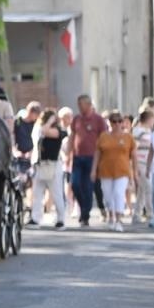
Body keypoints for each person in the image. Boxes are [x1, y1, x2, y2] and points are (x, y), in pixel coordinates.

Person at [68, 94, 106, 227]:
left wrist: (101, 158)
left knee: (88, 187)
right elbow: (72, 136)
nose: (79, 107)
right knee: (75, 184)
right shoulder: (77, 119)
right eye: (78, 104)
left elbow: (103, 138)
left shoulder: (98, 120)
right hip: (78, 157)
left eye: (81, 104)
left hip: (92, 158)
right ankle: (83, 206)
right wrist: (68, 153)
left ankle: (85, 215)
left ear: (89, 105)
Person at [94, 110, 135, 232]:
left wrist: (134, 172)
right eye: (114, 121)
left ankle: (118, 219)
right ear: (110, 123)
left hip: (122, 170)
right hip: (105, 170)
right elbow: (97, 154)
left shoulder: (128, 137)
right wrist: (93, 170)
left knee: (118, 193)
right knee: (108, 195)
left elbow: (134, 155)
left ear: (122, 123)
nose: (117, 124)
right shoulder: (103, 136)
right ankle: (111, 215)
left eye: (119, 121)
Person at [29, 108, 67, 228]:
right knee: (37, 193)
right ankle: (35, 218)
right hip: (41, 165)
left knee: (56, 194)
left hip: (53, 165)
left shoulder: (59, 131)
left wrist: (50, 121)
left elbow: (45, 131)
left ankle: (61, 219)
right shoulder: (39, 130)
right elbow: (39, 132)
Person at [132, 108, 154, 225]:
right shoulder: (138, 131)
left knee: (142, 190)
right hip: (140, 163)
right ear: (148, 119)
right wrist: (135, 166)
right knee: (148, 188)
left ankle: (136, 214)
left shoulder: (149, 131)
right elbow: (133, 149)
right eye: (153, 119)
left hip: (147, 164)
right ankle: (151, 214)